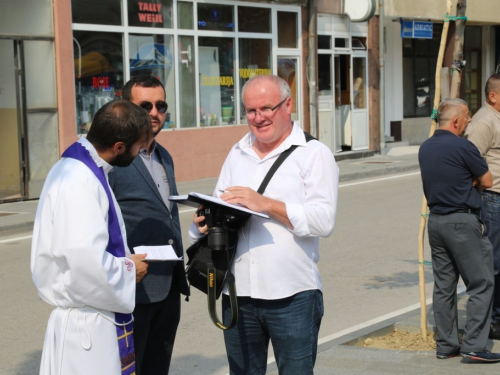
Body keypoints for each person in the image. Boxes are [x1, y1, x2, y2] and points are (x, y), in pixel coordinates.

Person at [189, 75, 339, 374]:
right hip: (237, 292)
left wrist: (266, 204)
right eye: (251, 111)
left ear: (288, 104)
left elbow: (323, 220)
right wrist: (204, 222)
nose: (259, 118)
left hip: (292, 295)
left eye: (266, 108)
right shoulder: (237, 151)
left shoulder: (314, 154)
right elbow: (220, 205)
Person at [31, 100, 151, 374]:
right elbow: (85, 263)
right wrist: (130, 269)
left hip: (89, 319)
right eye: (138, 146)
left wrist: (122, 259)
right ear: (118, 146)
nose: (141, 151)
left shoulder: (82, 167)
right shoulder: (79, 180)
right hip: (86, 330)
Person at [109, 76, 189, 375]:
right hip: (134, 289)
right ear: (125, 107)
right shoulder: (114, 159)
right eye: (145, 106)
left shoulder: (164, 155)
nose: (154, 113)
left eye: (160, 105)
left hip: (168, 286)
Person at [418, 98, 500, 362]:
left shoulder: (426, 147)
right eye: (466, 117)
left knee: (444, 285)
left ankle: (446, 344)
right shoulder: (463, 146)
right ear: (455, 121)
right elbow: (487, 180)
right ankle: (475, 346)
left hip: (436, 221)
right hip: (462, 221)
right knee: (481, 282)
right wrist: (472, 179)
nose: (470, 121)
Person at [465, 73, 500, 340]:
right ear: (493, 96)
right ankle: (491, 321)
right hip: (492, 199)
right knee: (493, 263)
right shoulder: (484, 121)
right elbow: (469, 161)